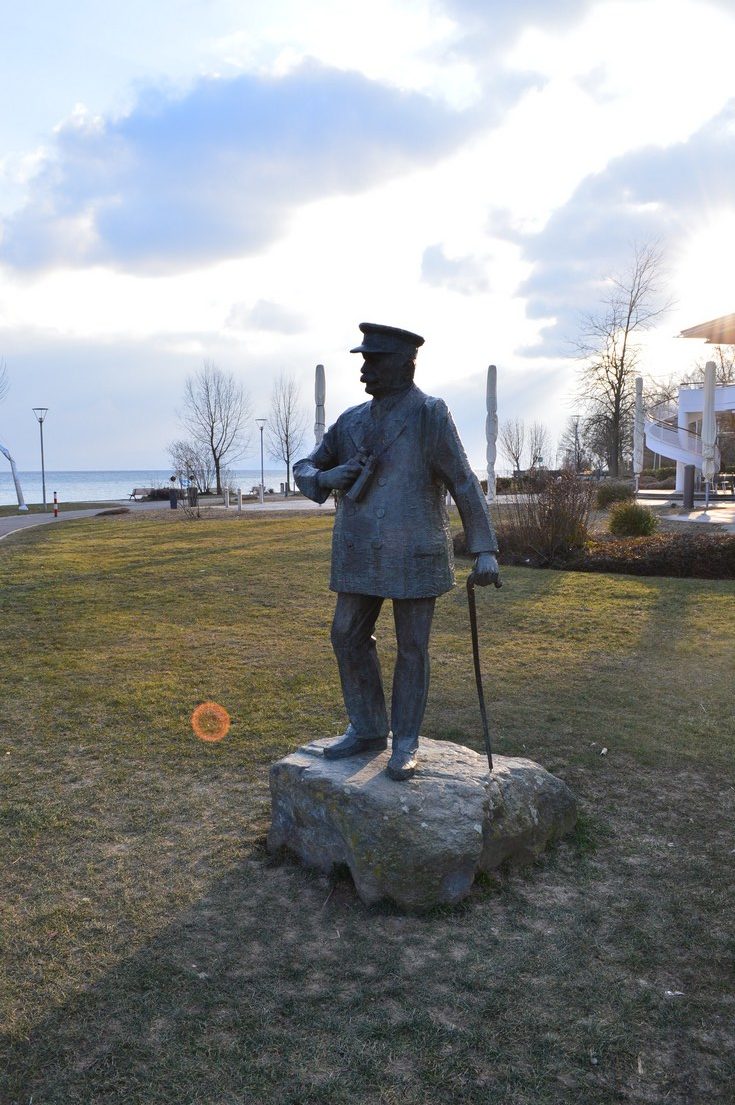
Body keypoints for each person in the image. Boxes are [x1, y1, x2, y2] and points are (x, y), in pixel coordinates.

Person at [293, 322, 500, 781]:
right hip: (359, 552)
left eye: (373, 360)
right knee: (345, 634)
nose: (364, 370)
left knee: (412, 648)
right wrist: (328, 478)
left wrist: (484, 549)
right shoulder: (350, 421)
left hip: (414, 553)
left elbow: (463, 480)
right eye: (363, 360)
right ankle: (368, 728)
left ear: (405, 364)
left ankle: (405, 741)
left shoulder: (429, 413)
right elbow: (305, 466)